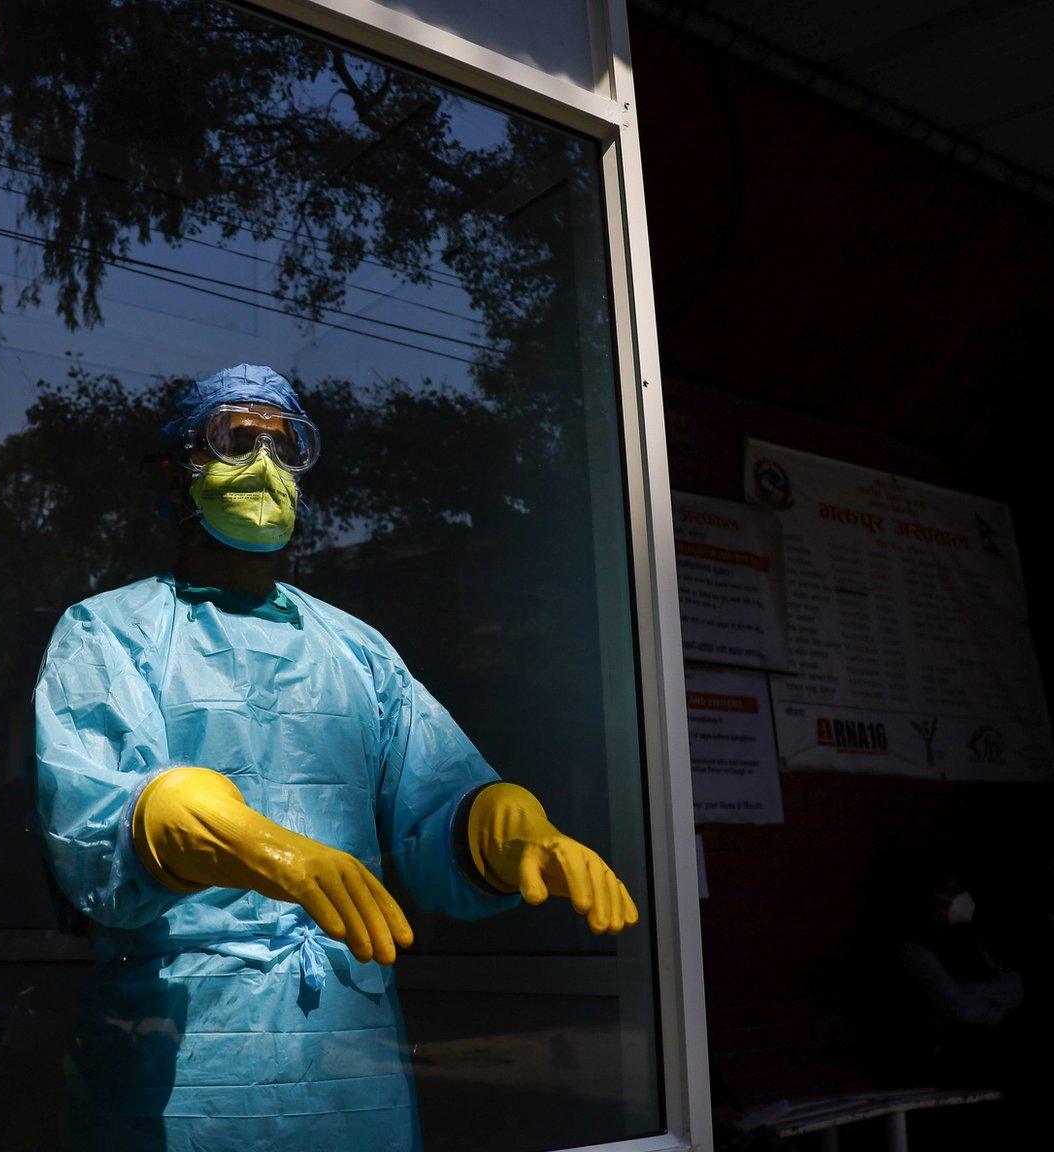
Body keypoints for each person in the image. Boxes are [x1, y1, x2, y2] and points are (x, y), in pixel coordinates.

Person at [34, 364, 640, 1151]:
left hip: (350, 1063)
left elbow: (439, 792)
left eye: (287, 449)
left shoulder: (355, 650)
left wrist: (513, 830)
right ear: (178, 469)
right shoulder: (111, 632)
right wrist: (267, 852)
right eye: (236, 439)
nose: (265, 467)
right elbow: (100, 819)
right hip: (183, 1059)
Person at [886, 867, 1026, 1086]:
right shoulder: (916, 948)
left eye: (959, 889)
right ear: (933, 898)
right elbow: (957, 1005)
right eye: (951, 890)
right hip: (953, 1055)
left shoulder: (969, 939)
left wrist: (973, 990)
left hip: (990, 1043)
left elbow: (1015, 988)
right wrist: (994, 1008)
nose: (960, 896)